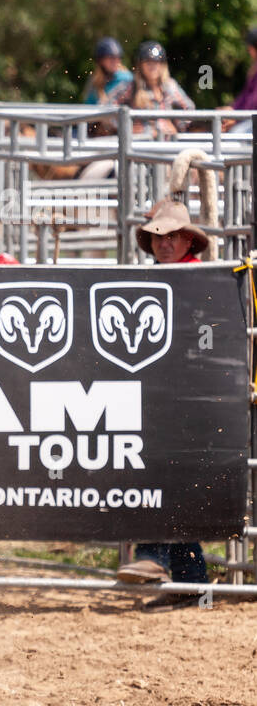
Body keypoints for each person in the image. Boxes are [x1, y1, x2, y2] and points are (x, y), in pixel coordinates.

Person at [114, 199, 209, 611]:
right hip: (163, 396)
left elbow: (207, 335)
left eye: (171, 236)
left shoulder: (199, 278)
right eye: (158, 236)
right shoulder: (160, 278)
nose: (164, 243)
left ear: (188, 239)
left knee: (162, 478)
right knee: (172, 484)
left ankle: (154, 556)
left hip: (187, 399)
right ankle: (194, 586)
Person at [108, 41, 195, 139]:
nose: (152, 66)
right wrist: (126, 127)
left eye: (156, 62)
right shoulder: (131, 86)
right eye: (148, 62)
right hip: (139, 145)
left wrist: (177, 126)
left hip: (165, 143)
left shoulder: (169, 86)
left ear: (162, 65)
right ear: (140, 65)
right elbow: (108, 107)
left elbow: (189, 108)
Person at [81, 37, 132, 105]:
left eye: (118, 58)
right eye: (111, 58)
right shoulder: (94, 82)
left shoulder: (128, 79)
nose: (116, 61)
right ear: (101, 61)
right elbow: (88, 107)